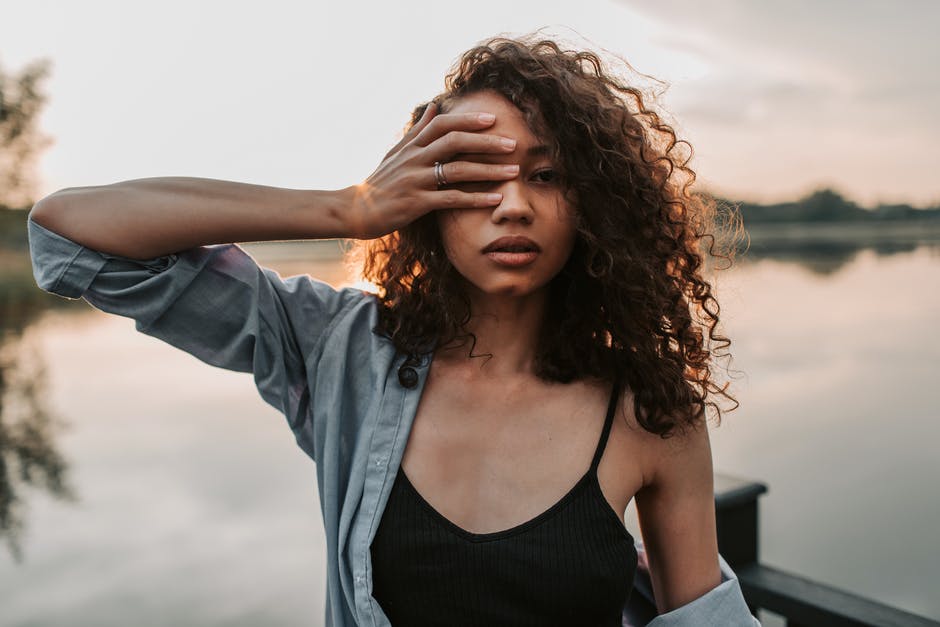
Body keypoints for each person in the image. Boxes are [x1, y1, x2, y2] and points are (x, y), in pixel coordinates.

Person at [28, 36, 757, 626]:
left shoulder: (652, 410)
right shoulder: (339, 350)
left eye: (546, 175)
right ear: (423, 201)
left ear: (594, 204)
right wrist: (346, 209)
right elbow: (69, 237)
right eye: (473, 175)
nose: (511, 206)